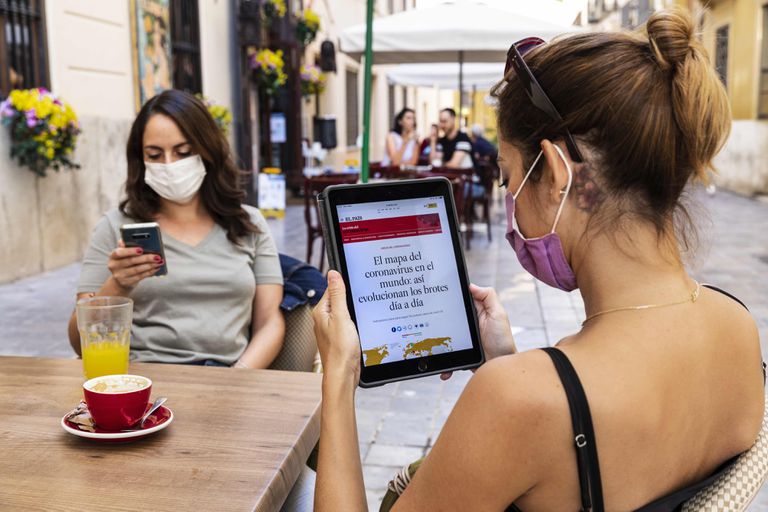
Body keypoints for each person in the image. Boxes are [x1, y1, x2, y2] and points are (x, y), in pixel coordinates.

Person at [311, 8, 764, 511]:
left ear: (553, 172)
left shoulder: (519, 402)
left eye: (508, 179)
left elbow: (545, 422)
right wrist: (512, 364)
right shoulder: (738, 327)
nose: (510, 203)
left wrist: (337, 378)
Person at [67, 90, 285, 368]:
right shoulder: (115, 226)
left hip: (229, 380)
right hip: (142, 385)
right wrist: (119, 285)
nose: (169, 165)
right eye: (155, 155)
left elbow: (270, 323)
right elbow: (79, 342)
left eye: (183, 152)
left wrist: (238, 378)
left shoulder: (248, 224)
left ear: (208, 150)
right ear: (140, 159)